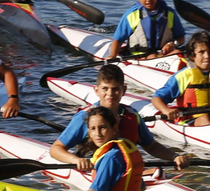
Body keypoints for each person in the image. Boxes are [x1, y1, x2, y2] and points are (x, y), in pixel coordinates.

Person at [7, 106, 146, 191]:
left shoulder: (110, 157)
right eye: (92, 129)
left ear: (114, 128)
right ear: (89, 132)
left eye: (102, 127)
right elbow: (140, 186)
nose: (98, 133)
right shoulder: (123, 150)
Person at [48, 64, 186, 172]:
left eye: (115, 89)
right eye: (105, 89)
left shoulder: (132, 116)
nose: (110, 94)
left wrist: (174, 156)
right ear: (96, 90)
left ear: (124, 90)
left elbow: (152, 146)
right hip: (93, 172)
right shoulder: (85, 117)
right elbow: (56, 149)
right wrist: (75, 160)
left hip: (124, 173)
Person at [104, 0, 185, 60]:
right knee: (152, 56)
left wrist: (172, 44)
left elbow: (181, 38)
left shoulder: (170, 13)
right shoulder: (131, 15)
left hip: (163, 56)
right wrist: (112, 56)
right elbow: (118, 40)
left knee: (177, 52)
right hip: (139, 58)